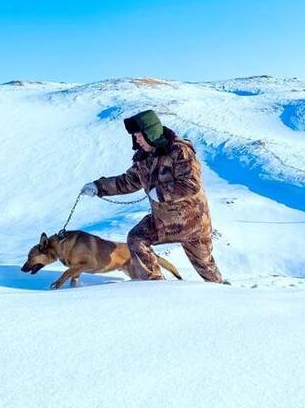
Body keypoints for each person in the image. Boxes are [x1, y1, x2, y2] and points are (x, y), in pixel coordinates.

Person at [81, 110, 223, 283]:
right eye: (136, 137)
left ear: (151, 133)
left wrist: (161, 193)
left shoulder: (180, 150)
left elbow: (191, 184)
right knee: (136, 239)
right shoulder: (144, 158)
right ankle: (155, 286)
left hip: (192, 224)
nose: (137, 140)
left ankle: (225, 293)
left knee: (207, 270)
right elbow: (128, 181)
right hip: (163, 222)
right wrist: (98, 187)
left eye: (139, 136)